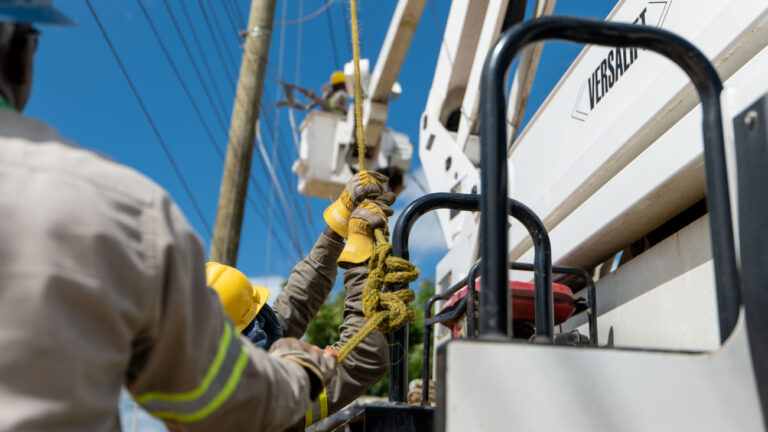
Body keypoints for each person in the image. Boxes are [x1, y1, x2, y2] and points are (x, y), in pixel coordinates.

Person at [0, 2, 339, 431]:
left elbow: (291, 308)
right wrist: (303, 373)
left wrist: (335, 231)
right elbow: (223, 400)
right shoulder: (116, 208)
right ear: (21, 49)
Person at [210, 172, 396, 429]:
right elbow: (364, 357)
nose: (265, 325)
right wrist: (360, 259)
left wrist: (337, 226)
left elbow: (291, 309)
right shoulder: (259, 402)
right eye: (256, 322)